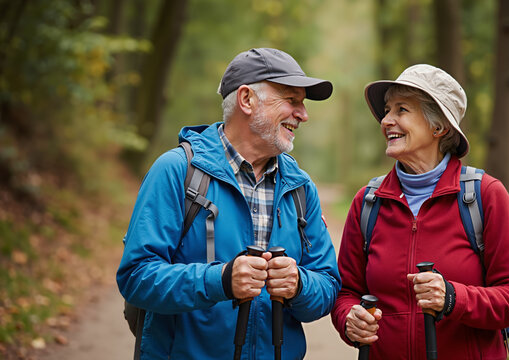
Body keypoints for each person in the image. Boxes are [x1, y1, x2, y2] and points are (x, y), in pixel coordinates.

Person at [117, 48, 341, 360]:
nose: (303, 114)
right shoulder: (176, 171)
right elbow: (136, 277)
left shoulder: (301, 187)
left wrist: (298, 285)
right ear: (247, 99)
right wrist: (220, 280)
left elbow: (328, 285)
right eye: (292, 100)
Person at [330, 64, 509, 359]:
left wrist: (454, 298)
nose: (387, 120)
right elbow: (347, 292)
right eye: (387, 110)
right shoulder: (368, 203)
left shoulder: (485, 196)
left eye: (401, 110)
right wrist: (350, 319)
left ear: (438, 127)